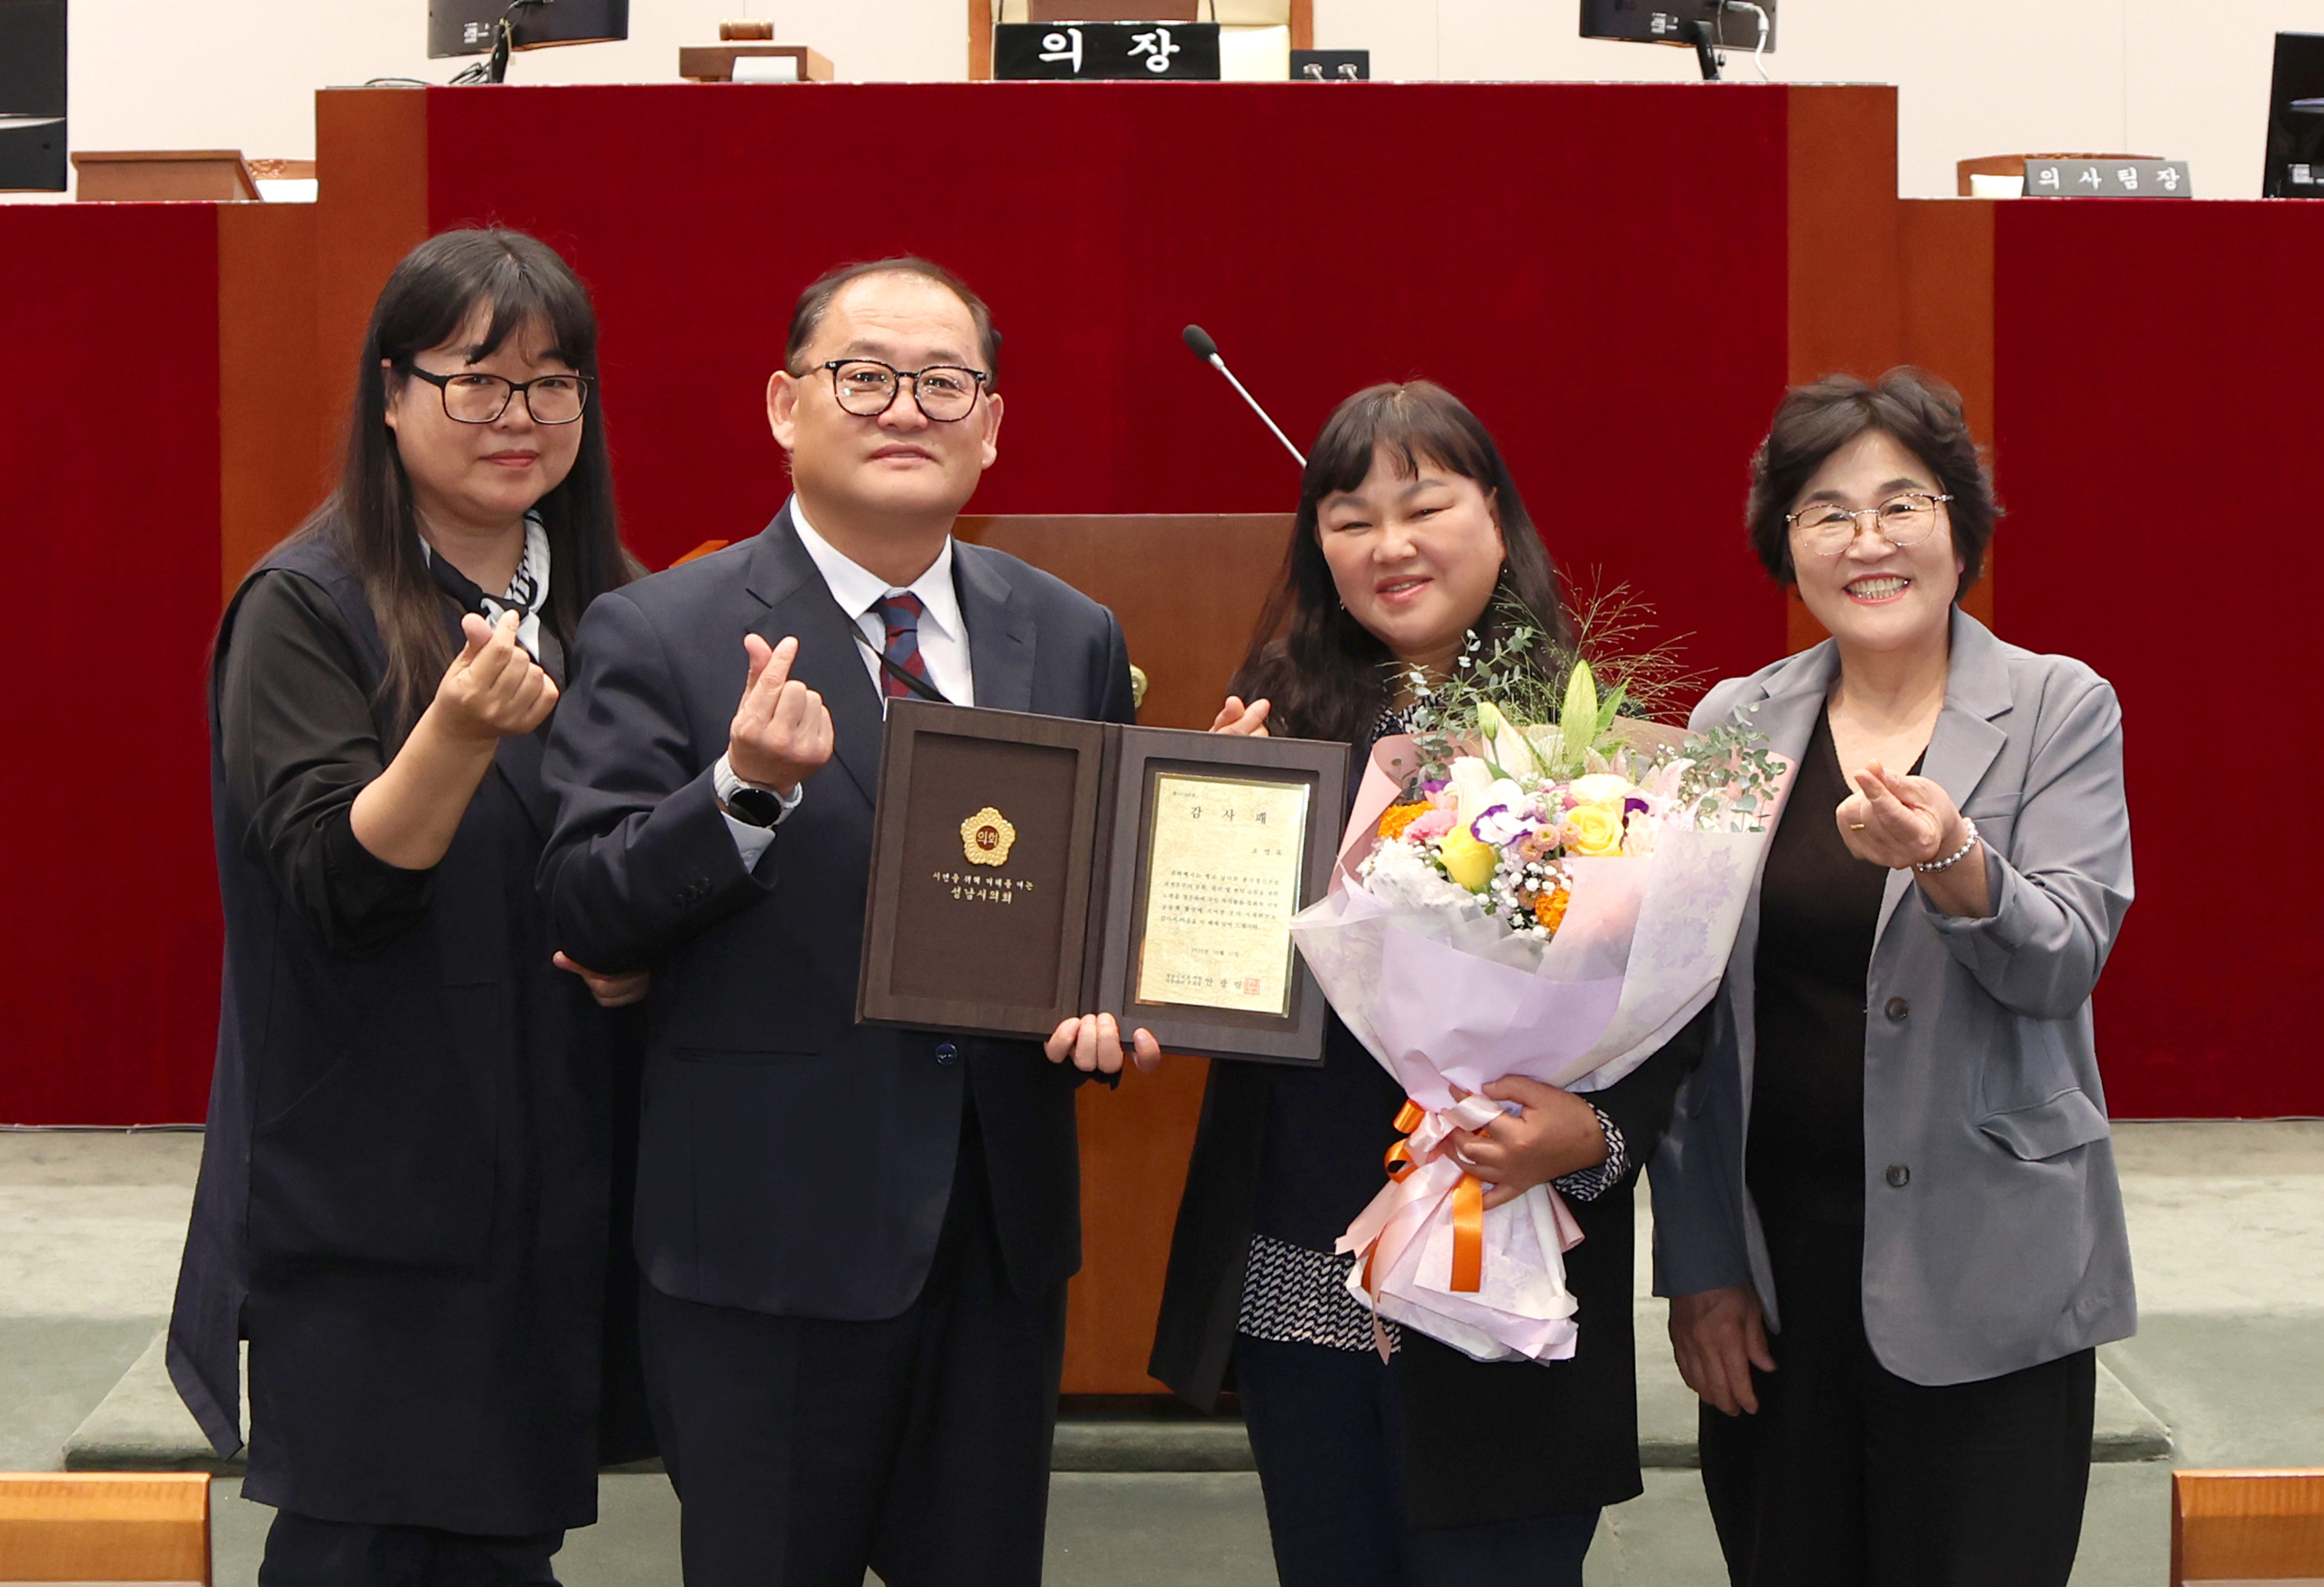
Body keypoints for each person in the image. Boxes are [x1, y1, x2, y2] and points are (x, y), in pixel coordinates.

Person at [539, 255, 1154, 1587]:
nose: (905, 408)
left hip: (993, 1245)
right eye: (863, 375)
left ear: (989, 423)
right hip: (766, 1243)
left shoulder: (1068, 633)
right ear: (783, 404)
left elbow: (1090, 901)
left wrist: (1129, 995)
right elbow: (586, 898)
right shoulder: (660, 630)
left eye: (945, 383)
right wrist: (741, 795)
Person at [1150, 381, 1710, 1587]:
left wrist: (1595, 1133)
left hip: (1505, 1255)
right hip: (1305, 1264)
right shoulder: (1275, 722)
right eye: (1348, 517)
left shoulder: (1595, 743)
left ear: (1495, 518)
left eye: (1423, 504)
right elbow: (1213, 979)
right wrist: (1211, 833)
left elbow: (1672, 1004)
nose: (1388, 545)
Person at [169, 227, 653, 1585]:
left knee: (502, 1538)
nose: (520, 417)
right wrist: (449, 729)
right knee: (372, 1541)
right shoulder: (306, 604)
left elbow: (618, 866)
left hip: (553, 1161)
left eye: (554, 383)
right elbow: (334, 886)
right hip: (377, 1193)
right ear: (391, 393)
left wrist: (643, 950)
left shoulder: (610, 606)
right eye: (476, 381)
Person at [1651, 368, 2135, 1586]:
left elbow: (2064, 955)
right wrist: (1701, 1264)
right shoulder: (1727, 727)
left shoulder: (2054, 706)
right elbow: (1679, 1020)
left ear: (1958, 527)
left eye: (1899, 504)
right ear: (1786, 545)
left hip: (1991, 1272)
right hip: (1777, 1286)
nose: (1865, 540)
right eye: (1825, 511)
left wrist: (1952, 857)